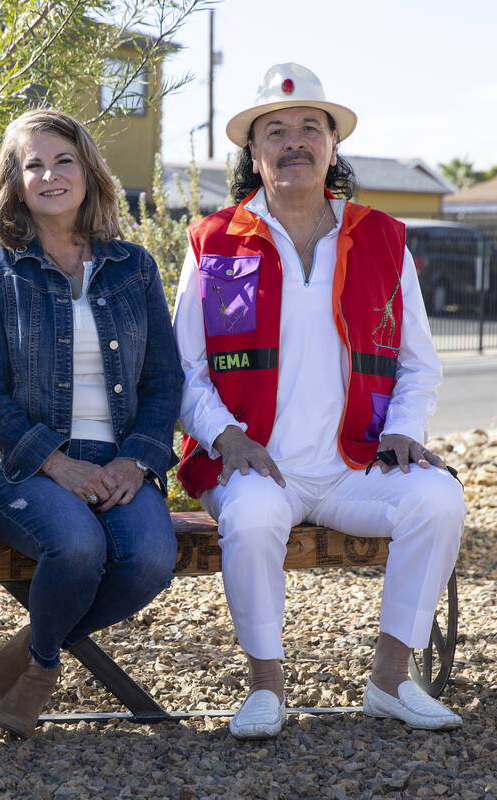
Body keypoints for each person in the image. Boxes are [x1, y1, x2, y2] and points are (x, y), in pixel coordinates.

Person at [172, 64, 466, 739]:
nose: (294, 142)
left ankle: (391, 680)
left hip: (354, 463)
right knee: (249, 520)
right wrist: (226, 438)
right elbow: (183, 369)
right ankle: (266, 689)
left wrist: (405, 428)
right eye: (275, 130)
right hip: (254, 463)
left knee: (439, 499)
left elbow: (419, 362)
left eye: (311, 128)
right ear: (253, 153)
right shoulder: (212, 242)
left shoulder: (384, 239)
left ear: (334, 147)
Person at [0, 109, 183, 739]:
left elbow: (164, 380)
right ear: (15, 181)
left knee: (151, 559)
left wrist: (135, 460)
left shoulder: (133, 267)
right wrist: (59, 463)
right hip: (15, 465)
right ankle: (41, 674)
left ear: (87, 171)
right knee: (77, 547)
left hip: (118, 461)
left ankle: (30, 646)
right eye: (34, 165)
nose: (50, 175)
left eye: (64, 161)